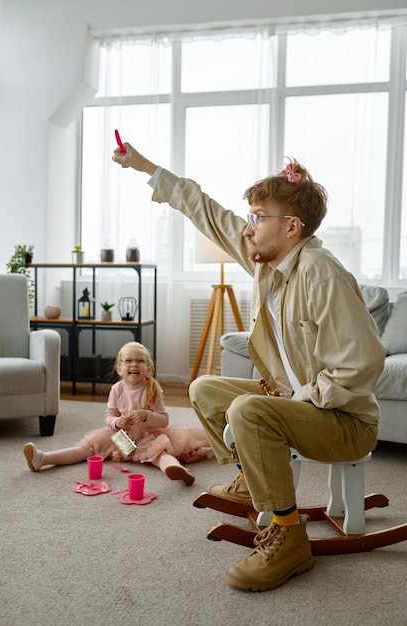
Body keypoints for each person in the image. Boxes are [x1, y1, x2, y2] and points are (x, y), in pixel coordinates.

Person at [112, 142, 386, 591]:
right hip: (304, 405)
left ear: (292, 227)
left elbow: (363, 363)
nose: (248, 227)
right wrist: (143, 165)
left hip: (345, 421)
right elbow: (206, 211)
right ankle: (250, 480)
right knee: (205, 388)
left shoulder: (320, 273)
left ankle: (288, 533)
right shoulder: (268, 261)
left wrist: (298, 397)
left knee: (248, 411)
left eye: (258, 217)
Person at [24, 341, 214, 485]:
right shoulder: (116, 389)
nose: (134, 365)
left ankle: (175, 469)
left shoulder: (152, 388)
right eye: (128, 361)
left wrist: (147, 415)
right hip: (121, 438)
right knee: (89, 448)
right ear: (119, 368)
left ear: (149, 369)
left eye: (140, 361)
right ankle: (43, 458)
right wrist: (116, 422)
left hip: (148, 436)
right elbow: (109, 415)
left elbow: (164, 420)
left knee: (159, 453)